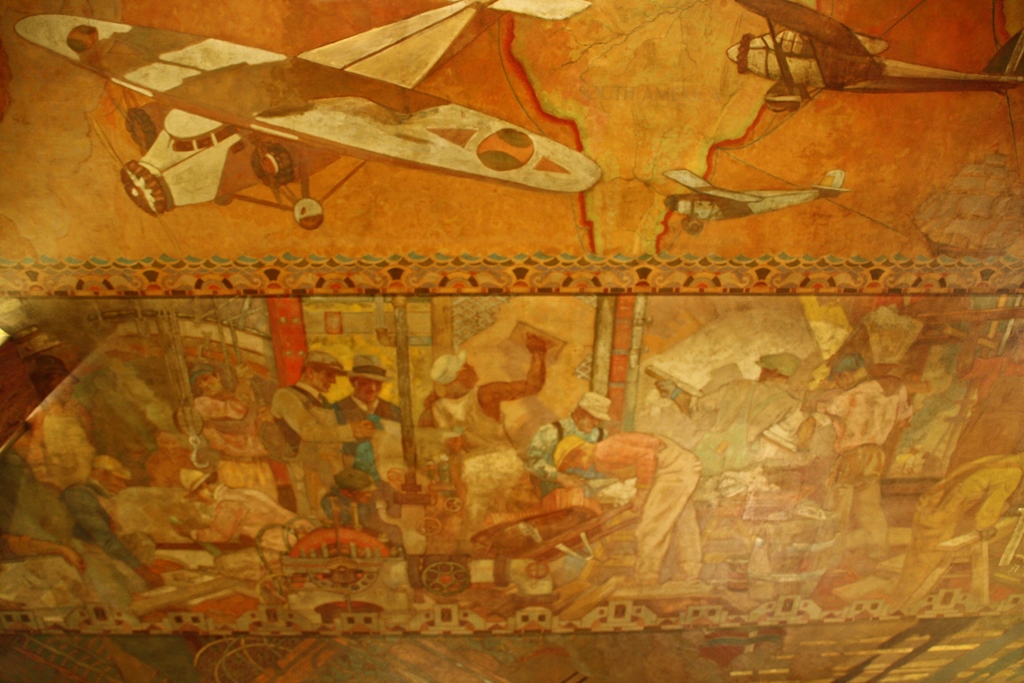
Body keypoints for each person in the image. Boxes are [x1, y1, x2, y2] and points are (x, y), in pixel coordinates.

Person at [419, 334, 549, 530]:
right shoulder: (486, 394)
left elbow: (431, 448)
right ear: (461, 374)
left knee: (479, 526)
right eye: (467, 366)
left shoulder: (433, 410)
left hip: (472, 472)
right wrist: (538, 354)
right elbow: (533, 386)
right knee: (524, 519)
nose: (473, 368)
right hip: (506, 465)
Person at [552, 432, 703, 585]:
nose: (575, 467)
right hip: (681, 465)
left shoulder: (602, 451)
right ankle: (688, 572)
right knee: (683, 522)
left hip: (672, 469)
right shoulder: (602, 457)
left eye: (572, 463)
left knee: (651, 527)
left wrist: (641, 495)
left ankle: (646, 577)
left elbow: (647, 456)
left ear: (579, 452)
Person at [890, 451, 1024, 607]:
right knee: (927, 557)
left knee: (919, 555)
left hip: (938, 503)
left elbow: (990, 491)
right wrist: (985, 527)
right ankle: (903, 602)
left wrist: (1004, 510)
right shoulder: (1012, 473)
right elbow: (989, 507)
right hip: (943, 511)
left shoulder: (1004, 460)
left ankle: (904, 595)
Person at [656, 353, 812, 478]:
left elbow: (695, 409)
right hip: (743, 461)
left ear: (773, 371)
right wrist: (802, 448)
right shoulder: (791, 404)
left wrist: (674, 392)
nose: (761, 372)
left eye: (764, 369)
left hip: (709, 452)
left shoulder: (738, 386)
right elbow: (807, 425)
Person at [819, 353, 912, 560]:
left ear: (845, 376)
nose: (838, 384)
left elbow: (826, 412)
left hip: (852, 456)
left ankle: (832, 555)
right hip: (876, 455)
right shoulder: (894, 389)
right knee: (870, 507)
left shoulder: (846, 397)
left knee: (838, 507)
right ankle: (879, 549)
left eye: (837, 380)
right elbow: (903, 420)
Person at [270, 350, 374, 517]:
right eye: (329, 375)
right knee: (311, 518)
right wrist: (350, 430)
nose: (333, 381)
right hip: (302, 473)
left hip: (326, 471)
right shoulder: (286, 396)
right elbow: (308, 431)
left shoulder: (322, 401)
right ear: (311, 372)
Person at [60, 455, 164, 588]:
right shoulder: (78, 496)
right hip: (83, 549)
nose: (122, 486)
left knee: (143, 541)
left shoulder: (98, 495)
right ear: (103, 475)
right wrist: (141, 570)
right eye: (118, 480)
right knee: (136, 584)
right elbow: (104, 538)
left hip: (101, 547)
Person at [191, 364, 278, 501]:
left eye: (206, 378)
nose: (204, 385)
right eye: (199, 383)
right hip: (232, 465)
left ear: (217, 376)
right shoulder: (201, 403)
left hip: (259, 464)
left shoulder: (234, 396)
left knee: (270, 507)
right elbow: (238, 413)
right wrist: (243, 382)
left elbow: (256, 421)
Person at [178, 469, 312, 553]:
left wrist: (191, 533)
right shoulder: (242, 493)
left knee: (225, 563)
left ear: (205, 487)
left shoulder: (227, 503)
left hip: (289, 543)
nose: (199, 500)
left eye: (197, 496)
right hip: (306, 531)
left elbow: (220, 535)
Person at [525, 391, 610, 497]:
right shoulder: (551, 431)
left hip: (592, 496)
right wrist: (559, 477)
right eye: (593, 417)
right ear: (580, 412)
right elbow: (532, 462)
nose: (596, 423)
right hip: (555, 495)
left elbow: (607, 467)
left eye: (599, 420)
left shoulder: (602, 435)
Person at [333, 355, 401, 482]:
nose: (373, 389)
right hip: (351, 480)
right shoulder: (337, 410)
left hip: (391, 478)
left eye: (378, 383)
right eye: (366, 383)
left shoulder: (394, 411)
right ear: (353, 382)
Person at [320, 469, 404, 549]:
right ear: (346, 492)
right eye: (364, 492)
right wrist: (377, 535)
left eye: (369, 491)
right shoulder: (331, 501)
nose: (369, 494)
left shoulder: (370, 496)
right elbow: (348, 527)